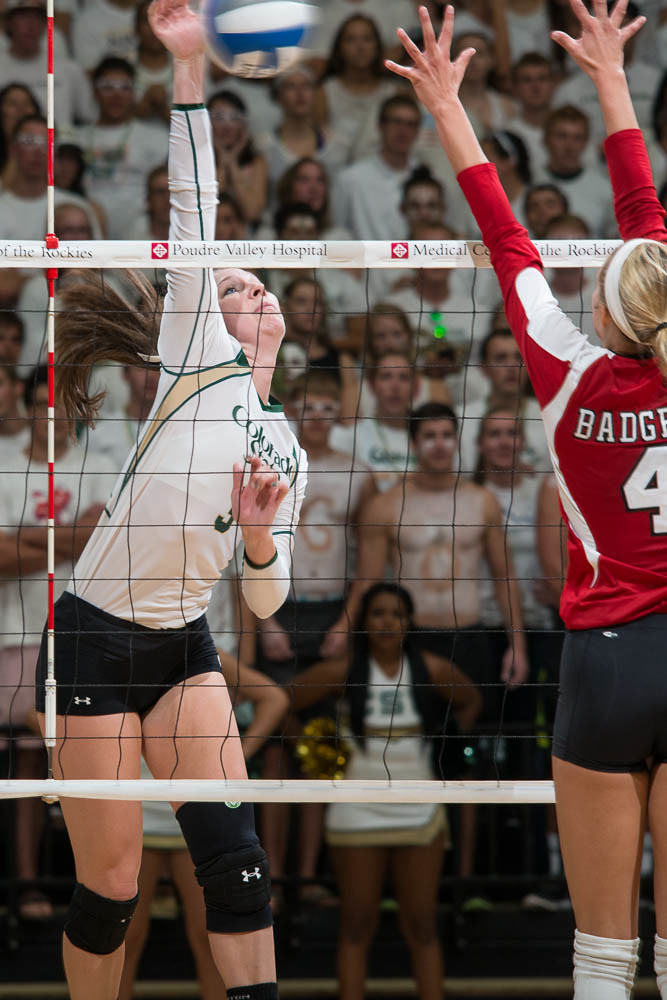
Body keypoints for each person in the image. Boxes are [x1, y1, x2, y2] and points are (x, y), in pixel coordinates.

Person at [385, 2, 667, 995]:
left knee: (600, 953)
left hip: (605, 661)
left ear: (603, 306)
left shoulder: (565, 370)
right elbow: (647, 222)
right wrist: (612, 78)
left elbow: (507, 236)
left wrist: (449, 108)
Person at [34, 5, 307, 1000]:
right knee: (109, 885)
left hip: (184, 640)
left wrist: (267, 538)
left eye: (259, 284)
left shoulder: (286, 446)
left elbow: (271, 608)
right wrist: (189, 65)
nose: (255, 292)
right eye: (235, 284)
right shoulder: (200, 348)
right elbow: (196, 203)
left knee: (236, 863)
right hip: (97, 636)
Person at [291, 582, 482, 1000]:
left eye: (396, 614)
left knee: (423, 924)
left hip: (419, 806)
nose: (387, 622)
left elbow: (471, 701)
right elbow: (286, 701)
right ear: (363, 621)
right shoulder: (343, 669)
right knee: (358, 923)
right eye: (378, 613)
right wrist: (311, 751)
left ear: (409, 623)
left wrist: (449, 749)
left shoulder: (431, 668)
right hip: (357, 808)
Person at [254, 371, 375, 910]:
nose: (319, 413)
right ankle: (274, 878)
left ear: (339, 411)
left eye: (329, 404)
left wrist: (348, 620)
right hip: (281, 608)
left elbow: (369, 558)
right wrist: (264, 622)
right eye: (308, 403)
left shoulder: (359, 473)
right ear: (292, 408)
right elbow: (245, 547)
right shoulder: (269, 458)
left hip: (332, 614)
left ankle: (307, 877)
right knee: (277, 749)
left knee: (323, 746)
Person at [0, 365, 109, 921]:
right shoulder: (3, 465)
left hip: (82, 634)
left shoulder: (100, 466)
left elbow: (103, 541)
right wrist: (67, 543)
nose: (54, 416)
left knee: (82, 764)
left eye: (62, 405)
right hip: (13, 637)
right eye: (44, 404)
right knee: (22, 763)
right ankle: (27, 886)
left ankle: (93, 885)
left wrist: (23, 538)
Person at [118, 653, 290, 1000]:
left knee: (209, 932)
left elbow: (275, 697)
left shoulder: (200, 649)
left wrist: (237, 756)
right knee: (127, 935)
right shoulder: (114, 647)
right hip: (137, 804)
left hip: (197, 808)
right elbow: (41, 711)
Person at [207, 90, 268, 226]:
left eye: (234, 117)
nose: (226, 126)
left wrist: (232, 161)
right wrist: (223, 164)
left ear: (244, 124)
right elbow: (207, 209)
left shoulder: (257, 162)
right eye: (218, 117)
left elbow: (252, 212)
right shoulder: (195, 160)